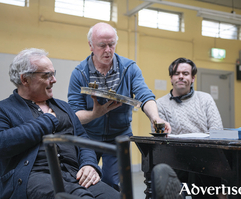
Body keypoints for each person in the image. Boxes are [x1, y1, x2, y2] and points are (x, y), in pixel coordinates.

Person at [0, 48, 120, 199]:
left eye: (53, 73)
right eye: (47, 75)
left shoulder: (64, 107)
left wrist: (89, 164)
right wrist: (47, 121)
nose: (54, 80)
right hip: (31, 178)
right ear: (25, 79)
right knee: (80, 197)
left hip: (74, 175)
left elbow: (83, 140)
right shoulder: (0, 110)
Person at [67, 22, 171, 190]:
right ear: (91, 45)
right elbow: (74, 114)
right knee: (83, 180)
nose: (108, 50)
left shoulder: (129, 69)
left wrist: (156, 118)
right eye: (102, 45)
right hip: (87, 137)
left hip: (118, 135)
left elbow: (144, 95)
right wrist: (96, 113)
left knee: (113, 183)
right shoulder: (79, 73)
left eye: (112, 44)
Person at [155, 57, 226, 199]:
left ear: (193, 78)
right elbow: (162, 138)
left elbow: (217, 131)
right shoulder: (160, 104)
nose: (181, 76)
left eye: (185, 73)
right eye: (176, 73)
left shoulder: (205, 99)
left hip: (206, 158)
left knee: (205, 173)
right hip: (176, 159)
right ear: (171, 78)